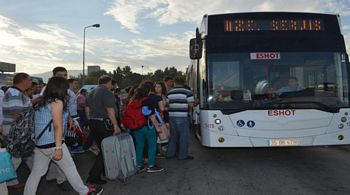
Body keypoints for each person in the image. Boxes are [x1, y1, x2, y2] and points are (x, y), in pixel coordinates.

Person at [23, 77, 103, 195]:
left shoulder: (41, 100)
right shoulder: (56, 102)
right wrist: (59, 147)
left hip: (40, 142)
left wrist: (68, 117)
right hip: (52, 142)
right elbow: (57, 126)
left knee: (36, 172)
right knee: (70, 168)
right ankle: (85, 192)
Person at [86, 75, 122, 185]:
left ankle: (104, 171)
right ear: (108, 82)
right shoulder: (106, 92)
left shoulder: (91, 92)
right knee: (105, 149)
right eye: (111, 83)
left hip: (93, 121)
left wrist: (89, 121)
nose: (112, 85)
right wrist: (116, 125)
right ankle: (94, 175)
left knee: (102, 147)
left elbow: (87, 108)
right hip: (103, 122)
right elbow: (110, 109)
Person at [2, 73, 33, 190]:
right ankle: (7, 180)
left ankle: (9, 181)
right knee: (16, 156)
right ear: (23, 81)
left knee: (23, 154)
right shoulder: (15, 93)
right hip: (15, 129)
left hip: (14, 129)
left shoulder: (17, 93)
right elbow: (16, 114)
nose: (31, 82)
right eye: (30, 79)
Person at [130, 81, 164, 173]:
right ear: (150, 89)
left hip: (136, 126)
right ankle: (151, 165)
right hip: (147, 126)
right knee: (152, 146)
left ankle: (138, 165)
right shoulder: (148, 100)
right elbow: (150, 115)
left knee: (139, 146)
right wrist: (157, 127)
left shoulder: (134, 99)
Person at [166, 77, 194, 160]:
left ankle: (170, 154)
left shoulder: (169, 92)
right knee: (183, 137)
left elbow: (167, 104)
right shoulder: (188, 92)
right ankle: (182, 155)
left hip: (171, 116)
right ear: (184, 83)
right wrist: (196, 102)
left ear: (175, 83)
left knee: (173, 136)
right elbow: (191, 105)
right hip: (182, 116)